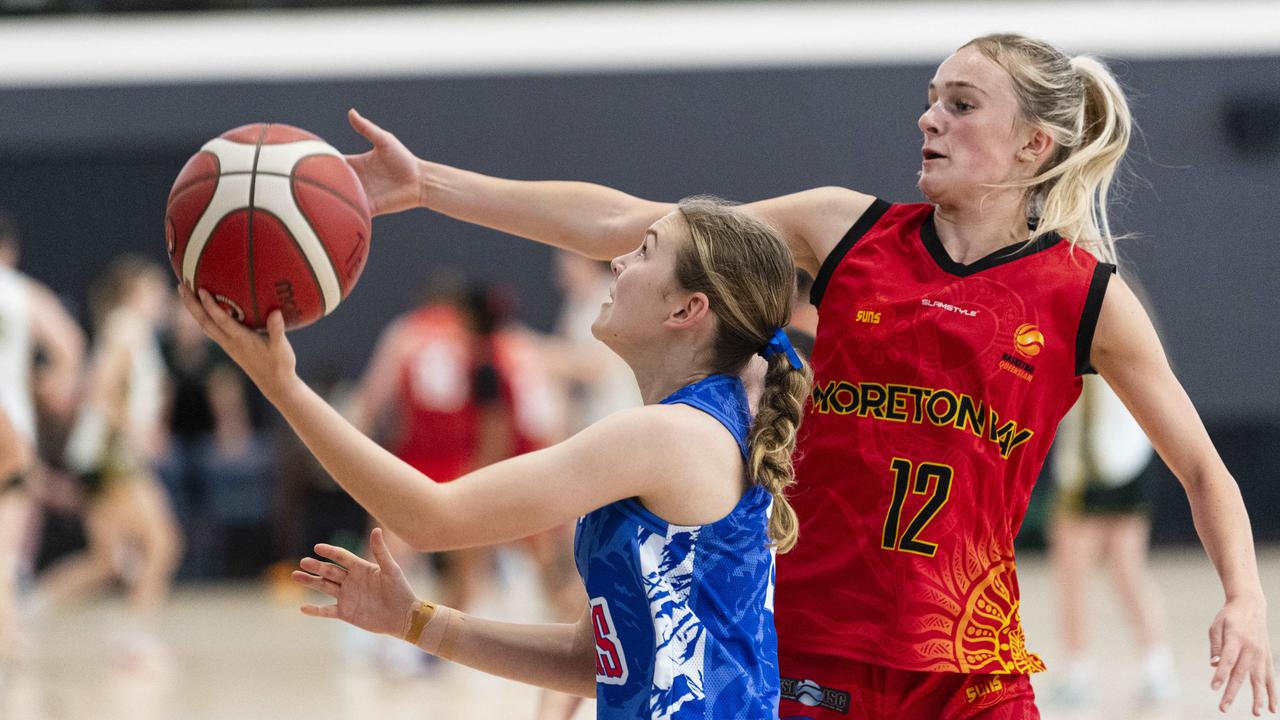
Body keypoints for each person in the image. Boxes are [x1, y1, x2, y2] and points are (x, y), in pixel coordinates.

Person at [333, 31, 1274, 718]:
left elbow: (1203, 470)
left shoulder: (1085, 296)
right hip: (808, 654)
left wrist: (1244, 597)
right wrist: (431, 187)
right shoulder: (844, 229)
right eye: (931, 95)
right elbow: (629, 220)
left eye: (960, 103)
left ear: (1034, 145)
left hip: (974, 677)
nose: (929, 116)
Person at [181, 196, 812, 718]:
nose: (618, 261)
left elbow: (430, 517)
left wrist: (283, 387)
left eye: (644, 251)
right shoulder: (694, 426)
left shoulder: (670, 435)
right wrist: (415, 621)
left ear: (687, 309)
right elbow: (597, 661)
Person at [39, 255, 183, 671]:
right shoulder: (128, 325)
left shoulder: (128, 328)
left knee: (105, 562)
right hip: (112, 455)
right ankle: (133, 639)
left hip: (101, 454)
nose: (161, 299)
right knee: (162, 543)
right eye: (155, 290)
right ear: (134, 291)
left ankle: (22, 606)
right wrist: (134, 433)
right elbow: (102, 390)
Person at [1047, 373, 1176, 708]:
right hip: (1114, 461)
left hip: (1112, 464)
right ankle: (1150, 667)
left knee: (1095, 571)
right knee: (1103, 571)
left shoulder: (1108, 332)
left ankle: (1139, 668)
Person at [0, 211, 86, 673]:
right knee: (5, 547)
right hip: (8, 427)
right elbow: (69, 343)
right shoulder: (19, 291)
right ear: (9, 249)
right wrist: (56, 384)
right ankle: (7, 643)